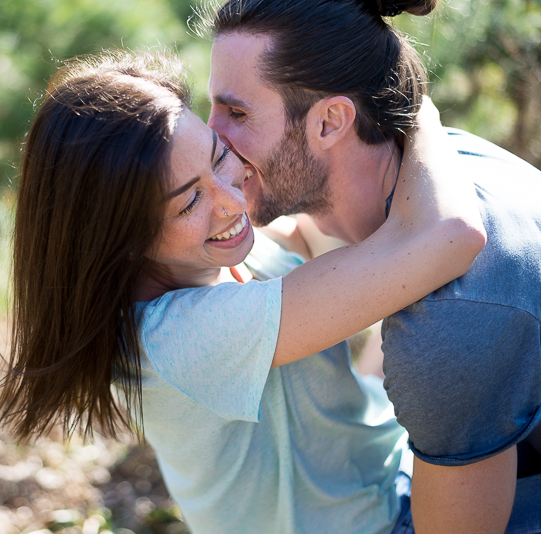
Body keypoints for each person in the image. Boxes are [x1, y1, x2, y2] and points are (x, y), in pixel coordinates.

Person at [0, 50, 485, 533]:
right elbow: (453, 234)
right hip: (379, 520)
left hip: (379, 461)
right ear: (119, 236)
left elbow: (315, 235)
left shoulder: (207, 256)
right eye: (189, 202)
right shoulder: (180, 338)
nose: (232, 200)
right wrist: (416, 109)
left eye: (219, 155)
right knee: (474, 366)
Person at [204, 0, 541, 532]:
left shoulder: (446, 324)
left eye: (237, 114)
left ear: (331, 120)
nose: (209, 138)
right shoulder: (435, 160)